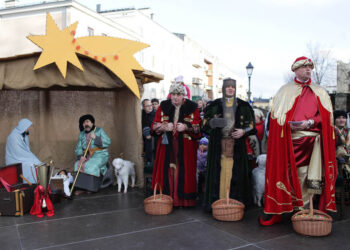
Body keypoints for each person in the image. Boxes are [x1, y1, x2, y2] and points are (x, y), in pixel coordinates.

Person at [260, 56, 337, 226]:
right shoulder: (284, 91)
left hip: (312, 142)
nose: (308, 70)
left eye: (310, 67)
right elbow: (276, 119)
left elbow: (325, 117)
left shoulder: (320, 92)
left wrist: (309, 122)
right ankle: (284, 209)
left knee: (308, 175)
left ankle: (303, 210)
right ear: (295, 70)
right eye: (304, 67)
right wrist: (287, 127)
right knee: (286, 173)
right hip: (289, 141)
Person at [203, 78, 256, 210]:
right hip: (218, 145)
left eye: (233, 86)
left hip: (237, 145)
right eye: (228, 86)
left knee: (235, 172)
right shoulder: (214, 105)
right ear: (223, 88)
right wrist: (215, 123)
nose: (230, 88)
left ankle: (235, 202)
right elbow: (204, 124)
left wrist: (244, 131)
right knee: (219, 171)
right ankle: (218, 201)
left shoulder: (244, 106)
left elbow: (252, 125)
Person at [151, 83, 201, 207]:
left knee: (184, 171)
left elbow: (199, 128)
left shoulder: (192, 107)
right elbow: (153, 126)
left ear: (183, 95)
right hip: (166, 145)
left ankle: (183, 200)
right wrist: (163, 127)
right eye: (173, 94)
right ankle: (167, 198)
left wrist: (186, 127)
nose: (175, 97)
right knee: (166, 169)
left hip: (186, 146)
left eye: (178, 94)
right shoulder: (163, 106)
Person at [73, 114, 111, 194]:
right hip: (87, 155)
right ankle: (82, 188)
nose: (86, 124)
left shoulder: (99, 130)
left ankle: (91, 188)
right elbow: (78, 147)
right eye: (83, 123)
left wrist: (96, 138)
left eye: (87, 121)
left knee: (91, 165)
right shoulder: (82, 134)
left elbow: (108, 142)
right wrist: (80, 156)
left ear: (92, 123)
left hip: (100, 155)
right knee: (78, 164)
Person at [6, 118, 41, 184]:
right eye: (28, 127)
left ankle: (38, 185)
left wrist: (32, 157)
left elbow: (26, 150)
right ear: (23, 126)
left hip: (22, 157)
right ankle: (31, 185)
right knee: (32, 166)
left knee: (38, 164)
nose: (29, 128)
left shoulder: (24, 134)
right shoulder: (14, 136)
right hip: (14, 159)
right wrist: (31, 158)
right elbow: (18, 152)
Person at [334, 110, 350, 205]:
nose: (341, 120)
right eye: (338, 117)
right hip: (336, 159)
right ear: (334, 119)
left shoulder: (348, 131)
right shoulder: (332, 131)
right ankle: (337, 200)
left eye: (343, 117)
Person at [142, 99, 156, 166]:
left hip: (154, 136)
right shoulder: (141, 114)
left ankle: (149, 162)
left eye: (151, 105)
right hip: (143, 136)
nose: (150, 107)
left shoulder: (156, 114)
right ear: (143, 107)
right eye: (147, 106)